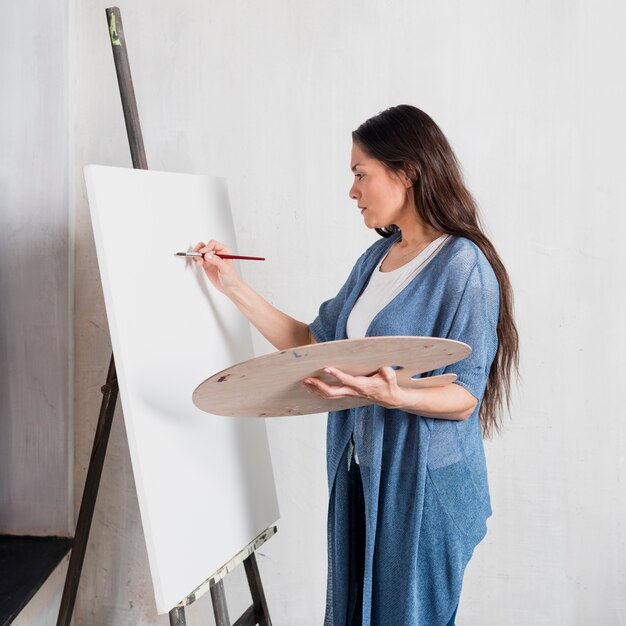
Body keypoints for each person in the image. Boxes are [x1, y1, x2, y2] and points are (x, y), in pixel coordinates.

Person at [194, 104, 519, 626]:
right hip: (363, 471)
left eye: (360, 174)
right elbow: (311, 342)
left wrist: (394, 396)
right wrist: (231, 286)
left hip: (424, 487)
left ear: (407, 173)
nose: (352, 191)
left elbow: (465, 397)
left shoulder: (464, 266)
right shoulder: (377, 259)